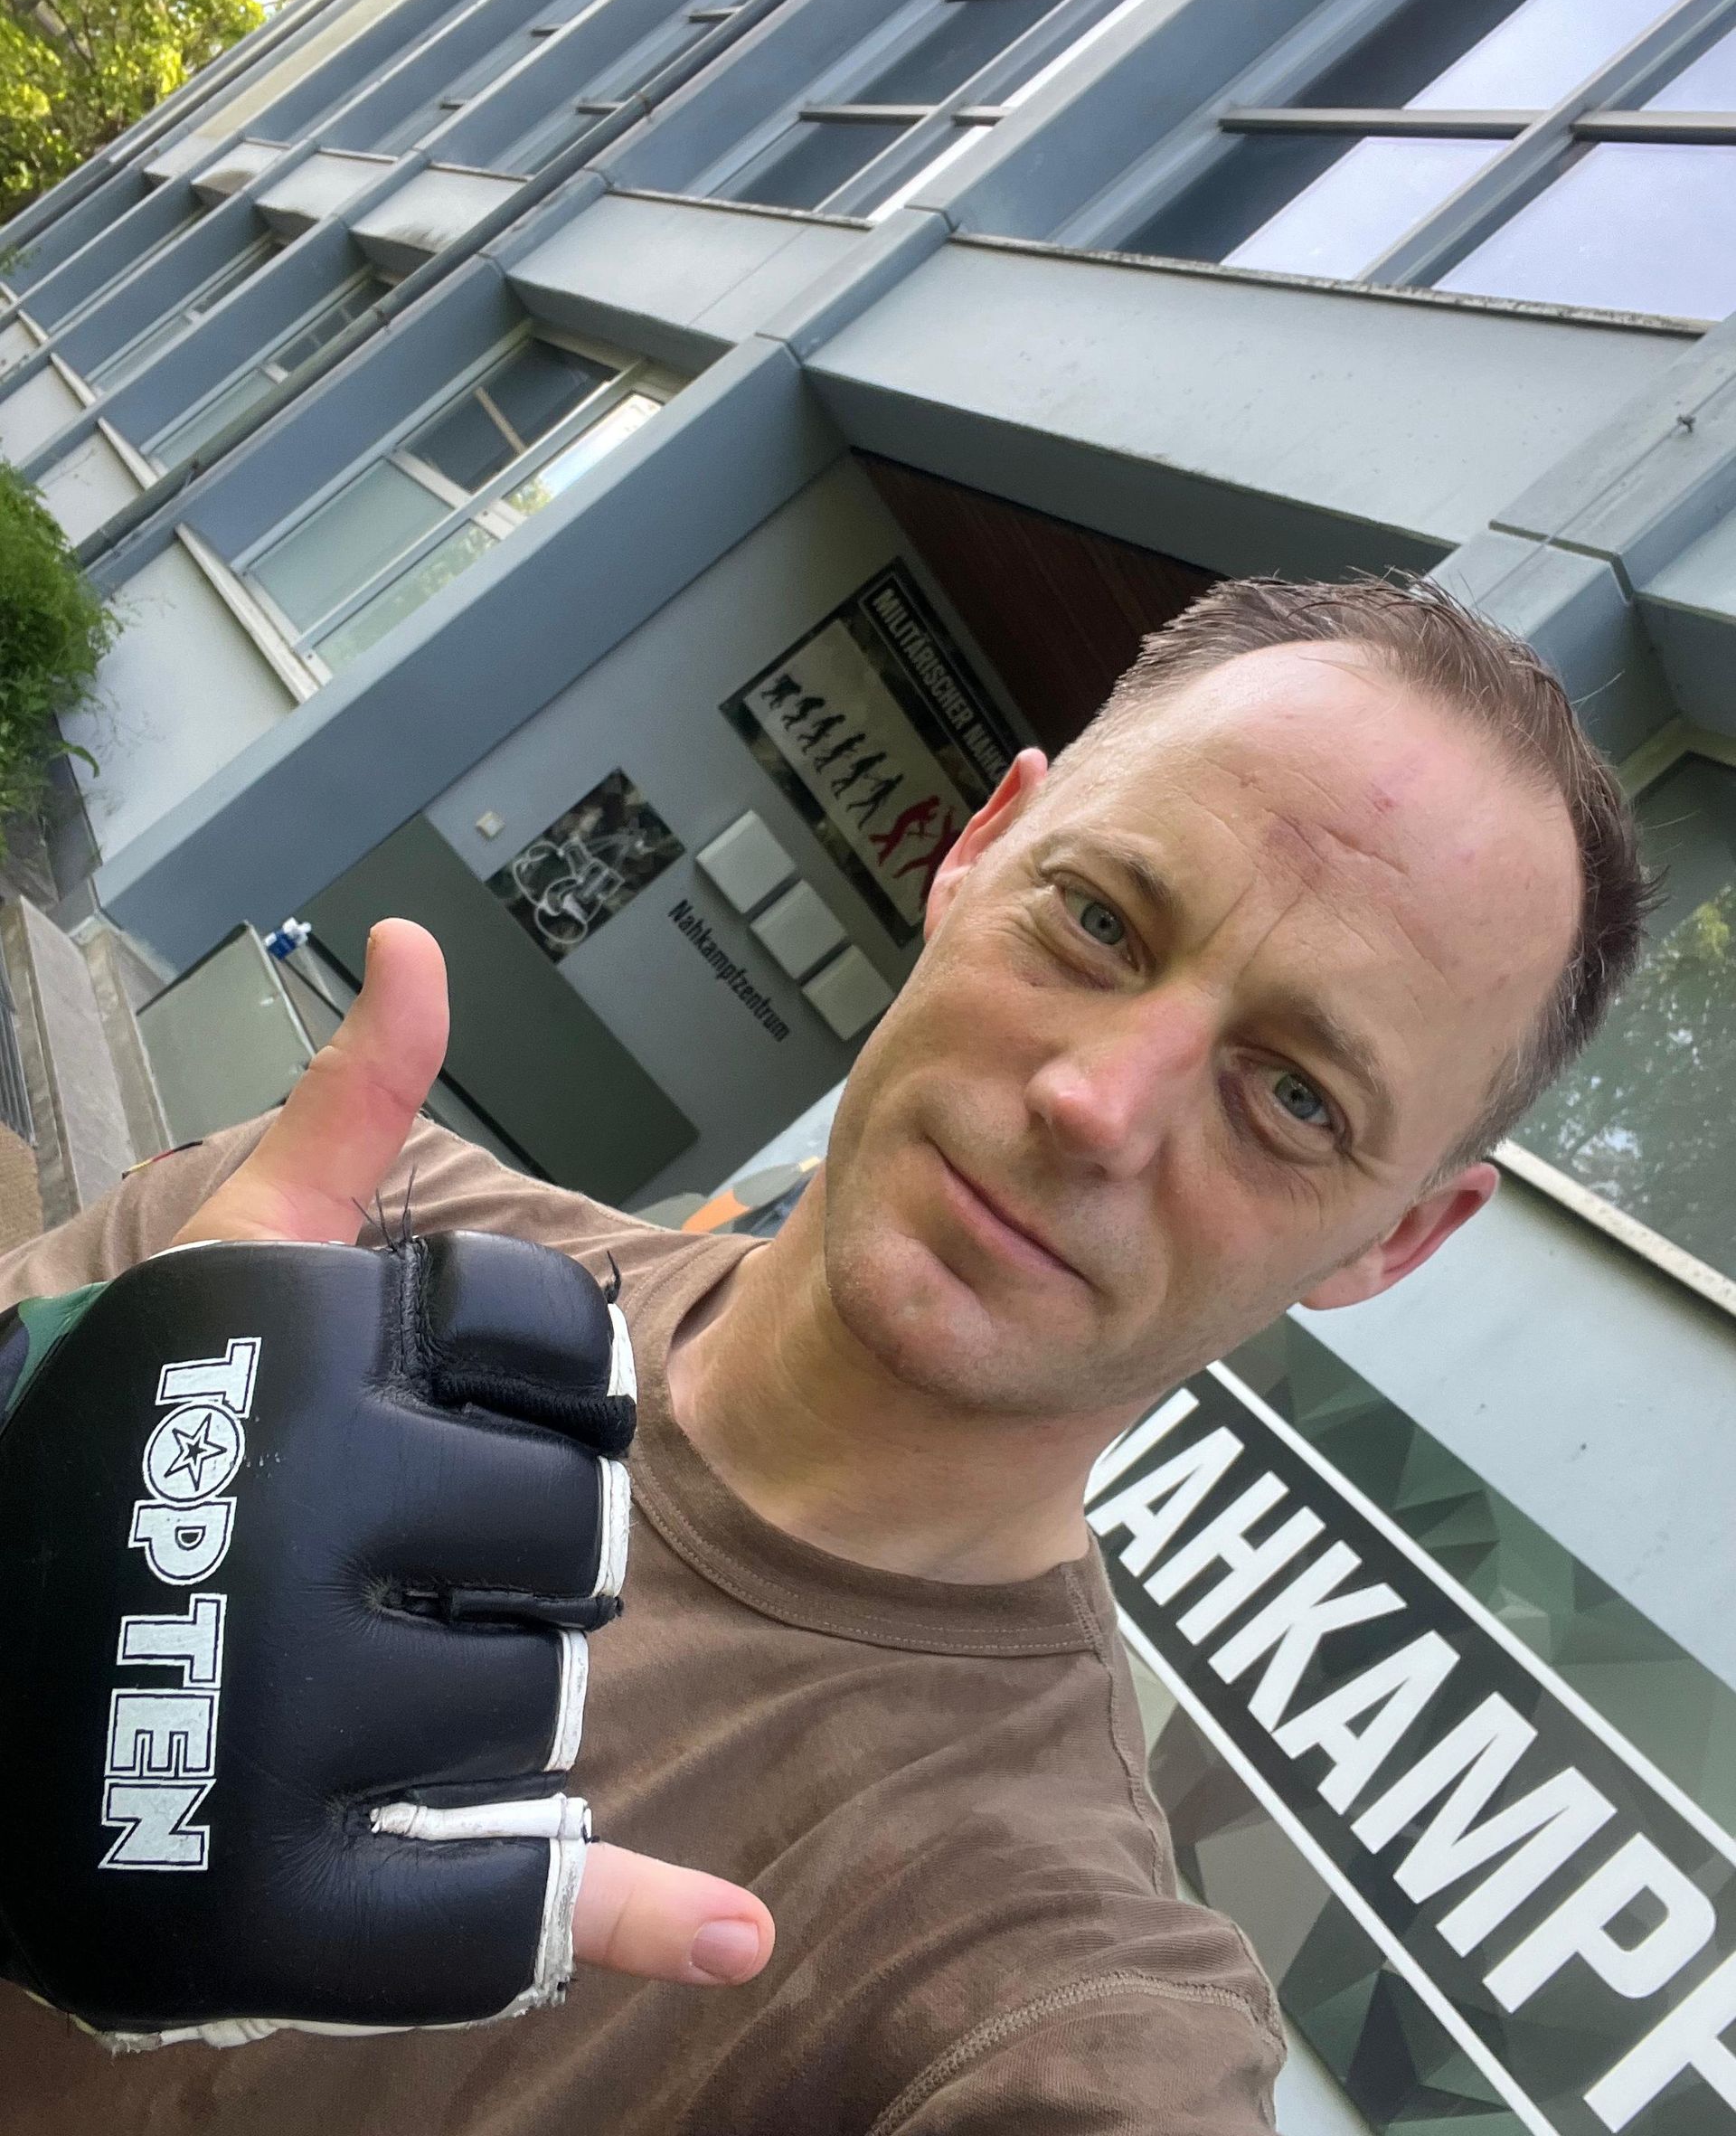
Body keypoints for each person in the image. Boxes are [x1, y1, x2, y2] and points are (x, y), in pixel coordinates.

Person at [0, 575, 1647, 2132]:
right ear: (978, 853)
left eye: (1294, 1095)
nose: (1095, 1103)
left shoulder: (1056, 1988)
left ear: (1393, 1242)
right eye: (1098, 920)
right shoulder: (321, 1239)